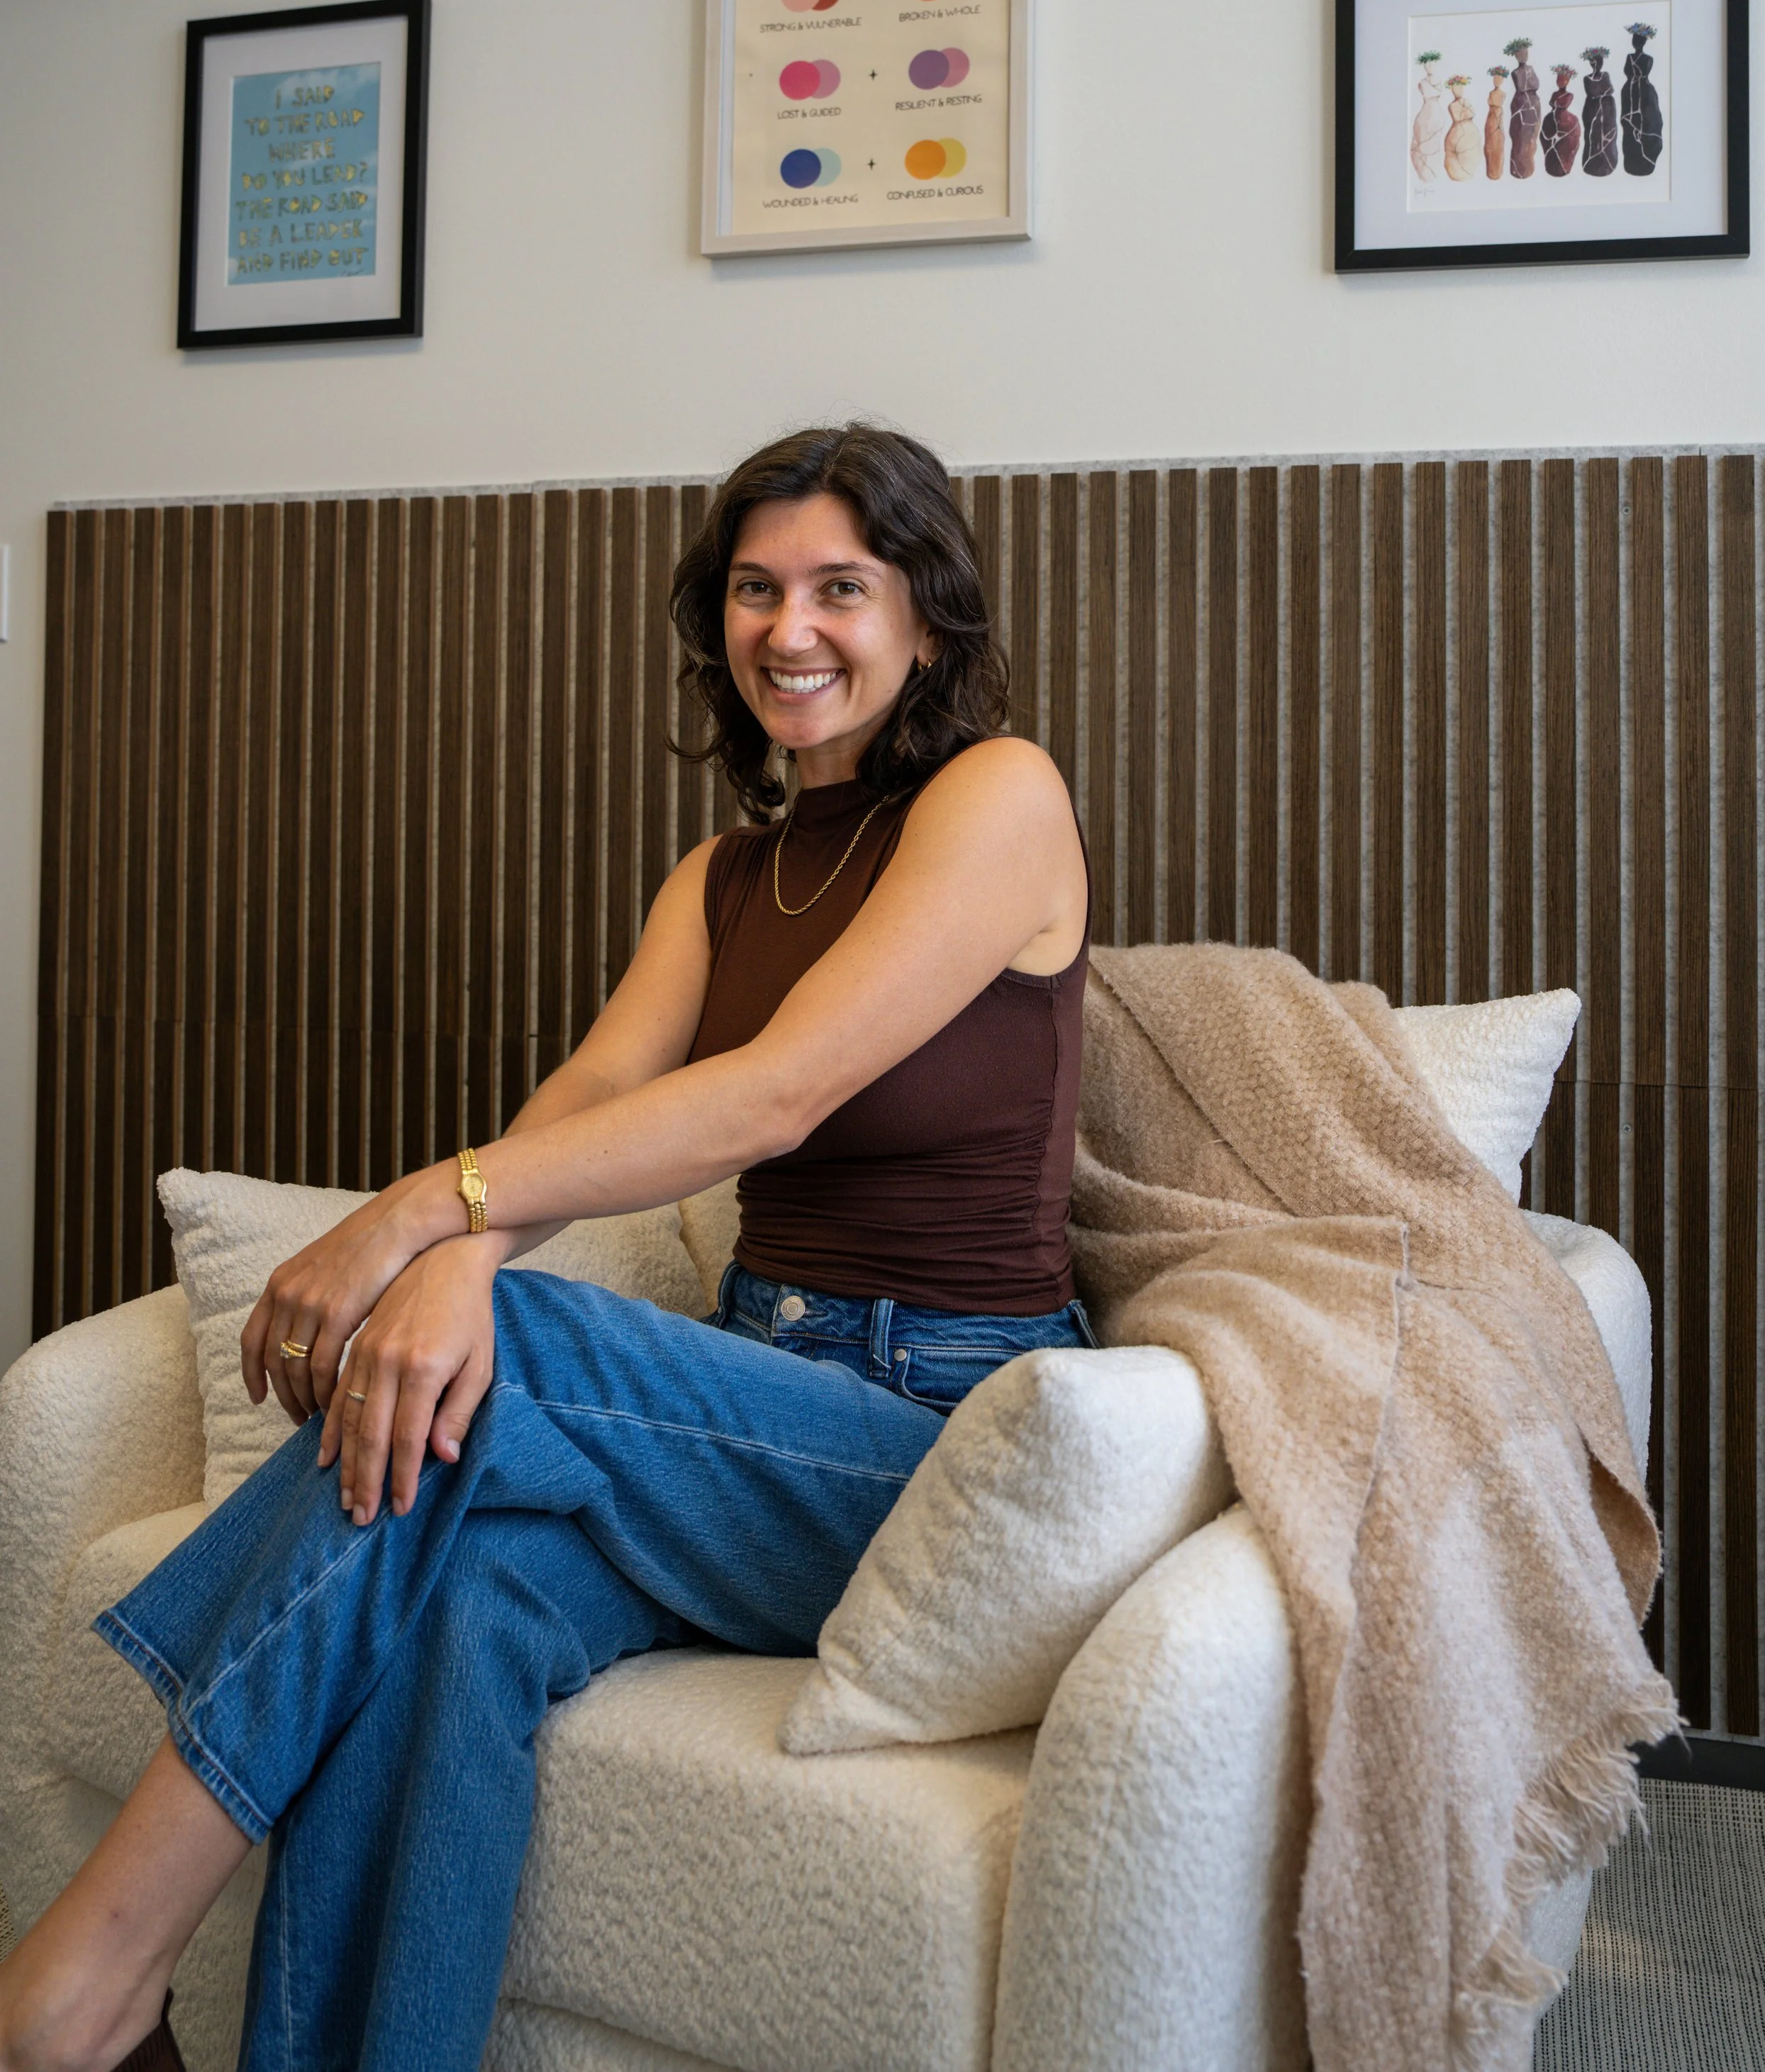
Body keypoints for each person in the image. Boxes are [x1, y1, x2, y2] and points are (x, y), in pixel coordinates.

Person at [0, 423, 1093, 2072]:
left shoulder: (998, 796)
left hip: (934, 1440)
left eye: (838, 589)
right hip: (739, 1409)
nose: (787, 629)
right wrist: (470, 1243)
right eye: (752, 589)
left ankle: (82, 1981)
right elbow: (593, 1092)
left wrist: (419, 1223)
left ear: (926, 619)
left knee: (519, 1357)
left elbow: (769, 1099)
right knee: (452, 1596)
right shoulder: (722, 875)